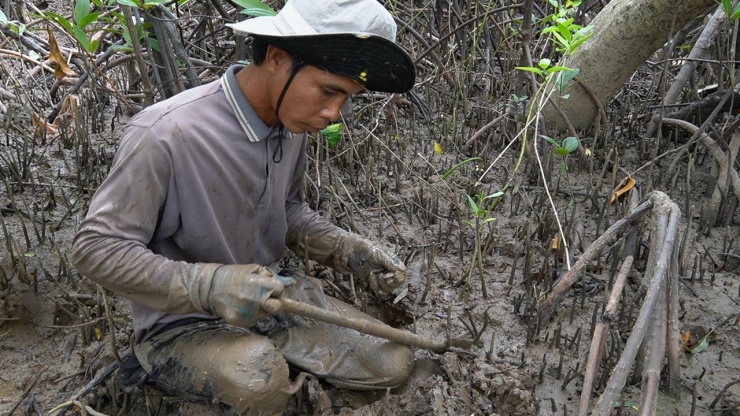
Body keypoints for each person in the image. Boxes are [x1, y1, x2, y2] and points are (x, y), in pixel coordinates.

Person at [70, 0, 417, 414]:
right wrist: (212, 286)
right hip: (181, 324)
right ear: (277, 57)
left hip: (275, 299)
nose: (333, 114)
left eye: (348, 98)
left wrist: (347, 249)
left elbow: (285, 210)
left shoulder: (292, 122)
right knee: (257, 379)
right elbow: (96, 248)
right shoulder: (165, 133)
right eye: (329, 92)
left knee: (392, 361)